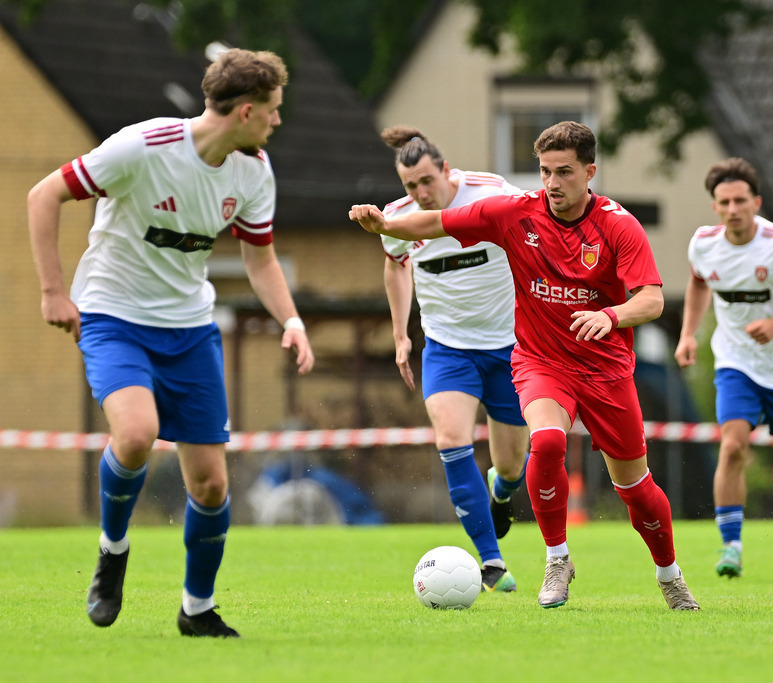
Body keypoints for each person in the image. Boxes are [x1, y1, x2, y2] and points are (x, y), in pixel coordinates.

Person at [352, 121, 699, 611]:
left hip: (605, 370)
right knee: (549, 440)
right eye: (544, 172)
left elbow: (652, 300)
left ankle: (669, 572)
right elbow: (436, 224)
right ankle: (557, 560)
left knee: (636, 489)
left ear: (589, 172)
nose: (552, 183)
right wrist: (386, 226)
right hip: (541, 360)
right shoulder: (515, 213)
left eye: (564, 172)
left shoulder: (619, 225)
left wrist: (611, 314)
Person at [26, 48, 315, 637]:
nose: (278, 122)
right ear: (244, 112)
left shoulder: (253, 170)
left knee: (210, 482)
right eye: (273, 110)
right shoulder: (142, 147)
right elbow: (43, 195)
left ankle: (197, 610)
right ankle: (112, 552)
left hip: (188, 328)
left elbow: (259, 261)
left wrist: (291, 320)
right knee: (134, 434)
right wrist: (54, 292)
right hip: (113, 315)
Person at [377, 126, 529, 593]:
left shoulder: (493, 192)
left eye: (427, 181)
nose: (421, 194)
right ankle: (491, 560)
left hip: (510, 346)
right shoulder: (398, 218)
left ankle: (500, 490)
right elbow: (395, 265)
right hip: (447, 348)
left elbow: (535, 236)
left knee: (511, 467)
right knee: (450, 438)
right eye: (410, 186)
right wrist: (402, 334)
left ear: (446, 171)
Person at [675, 157, 773, 579]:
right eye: (724, 201)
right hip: (735, 361)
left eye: (740, 200)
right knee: (733, 446)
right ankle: (732, 547)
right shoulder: (704, 242)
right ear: (715, 207)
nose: (732, 209)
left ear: (756, 202)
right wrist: (688, 333)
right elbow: (699, 281)